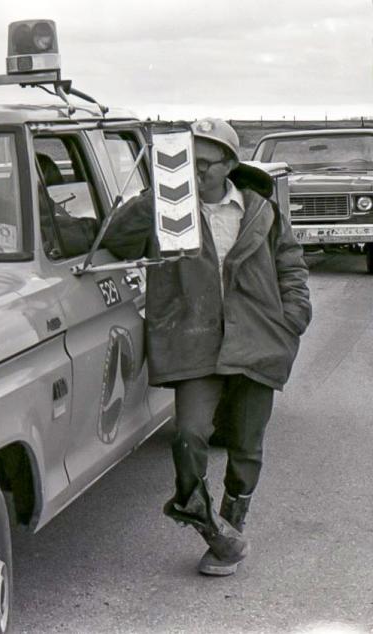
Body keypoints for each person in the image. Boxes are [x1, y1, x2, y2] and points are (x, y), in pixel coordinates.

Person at [102, 118, 312, 576]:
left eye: (204, 165)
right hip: (195, 342)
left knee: (246, 443)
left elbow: (290, 265)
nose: (194, 173)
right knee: (190, 433)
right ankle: (203, 518)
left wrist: (292, 318)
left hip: (256, 339)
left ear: (230, 165)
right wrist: (156, 193)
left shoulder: (261, 209)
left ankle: (231, 525)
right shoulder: (170, 212)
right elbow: (117, 241)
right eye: (186, 163)